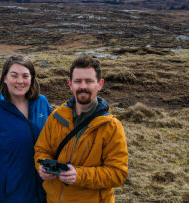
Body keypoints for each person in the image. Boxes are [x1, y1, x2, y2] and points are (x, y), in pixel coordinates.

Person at [34, 55, 128, 203]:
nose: (83, 86)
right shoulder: (56, 117)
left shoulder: (112, 127)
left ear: (100, 84)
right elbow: (41, 150)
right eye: (78, 81)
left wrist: (79, 175)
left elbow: (118, 173)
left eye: (89, 81)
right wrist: (43, 167)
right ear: (70, 84)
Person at [0, 54, 51, 203]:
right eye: (14, 75)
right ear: (5, 78)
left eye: (25, 76)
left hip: (45, 192)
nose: (20, 81)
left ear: (32, 78)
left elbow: (53, 140)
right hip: (11, 196)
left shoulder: (42, 102)